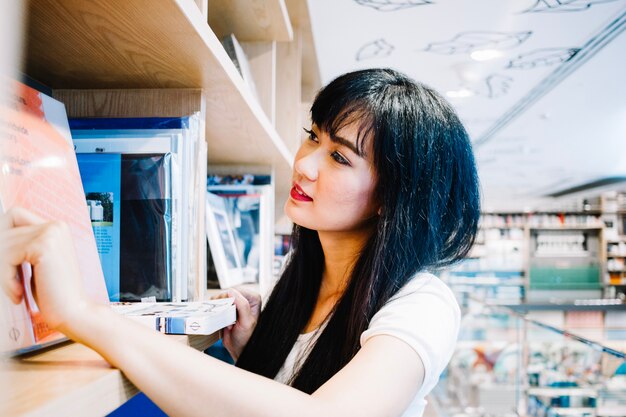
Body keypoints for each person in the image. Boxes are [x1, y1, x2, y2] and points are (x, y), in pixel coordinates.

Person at [1, 68, 480, 417]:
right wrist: (257, 355)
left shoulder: (422, 303)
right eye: (312, 137)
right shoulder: (300, 285)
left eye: (338, 156)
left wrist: (85, 314)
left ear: (391, 197)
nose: (305, 164)